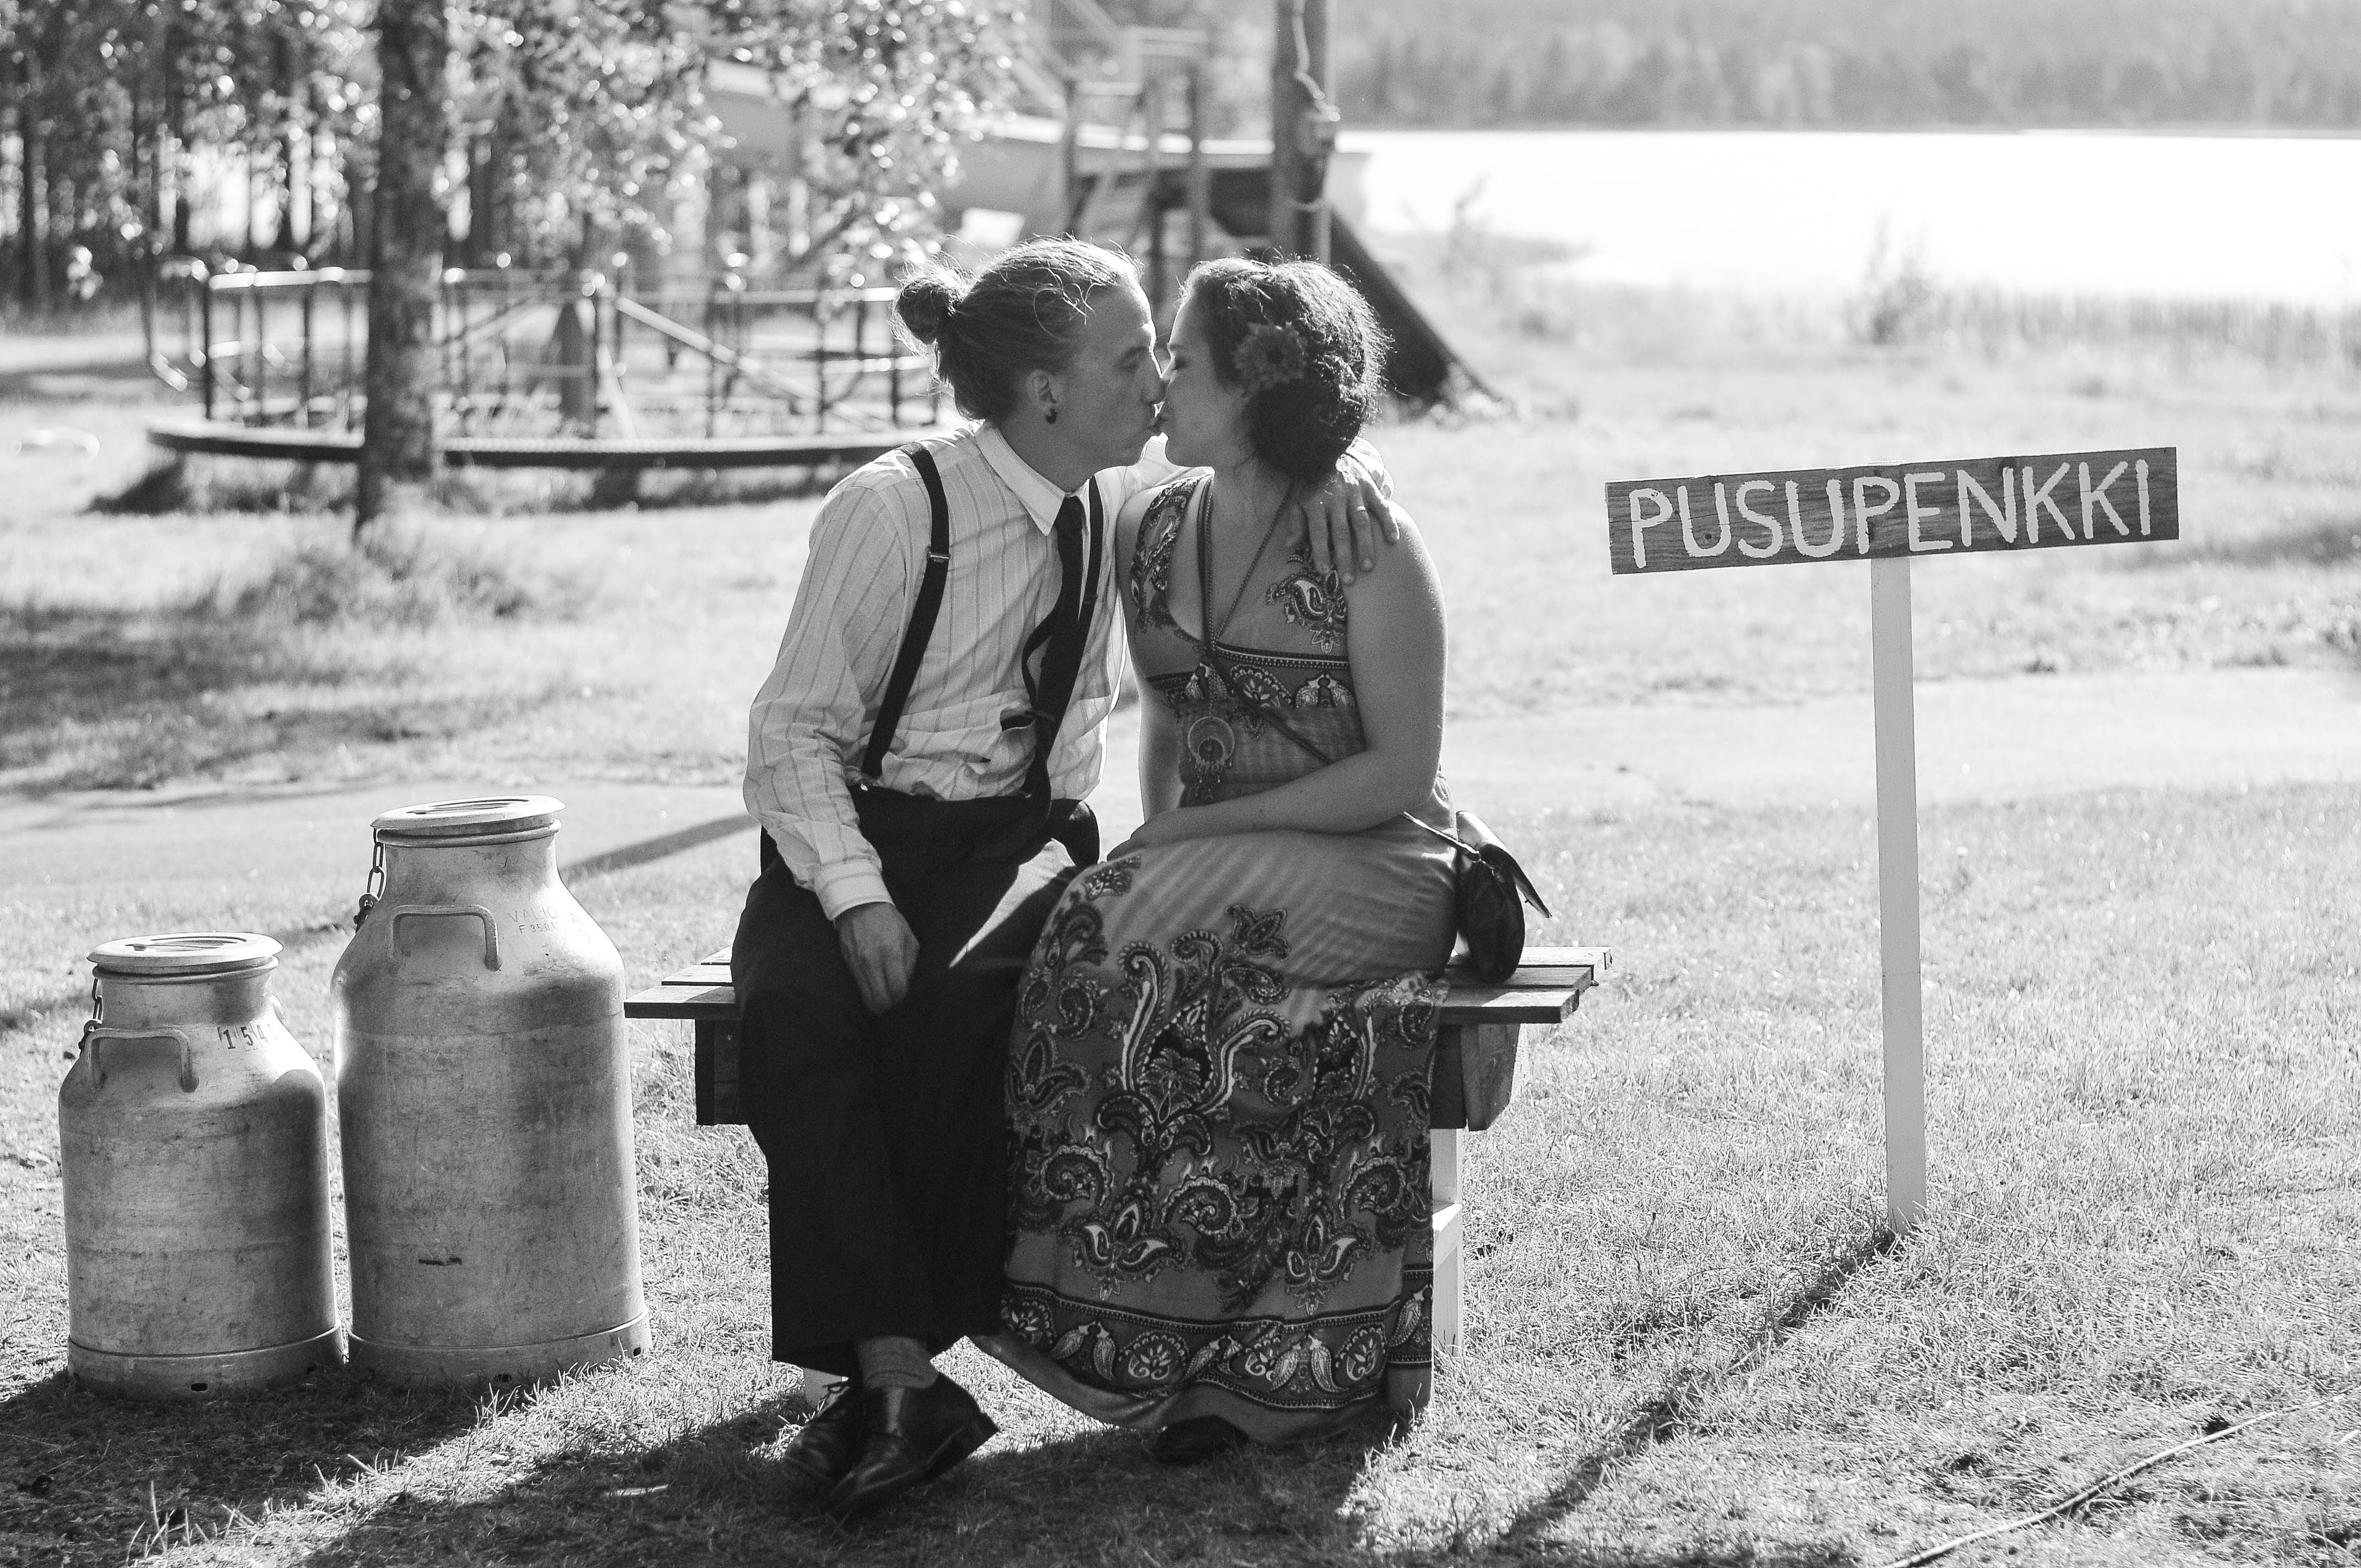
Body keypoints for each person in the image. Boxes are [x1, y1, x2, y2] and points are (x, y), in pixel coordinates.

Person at [732, 238, 1397, 1518]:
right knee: (789, 1011)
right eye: (1130, 356)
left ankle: (882, 1379)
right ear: (1043, 391)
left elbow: (1276, 442)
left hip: (1020, 840)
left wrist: (1343, 466)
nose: (1158, 380)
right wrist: (856, 896)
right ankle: (896, 1375)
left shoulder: (1126, 497)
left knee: (943, 1010)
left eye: (1160, 354)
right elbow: (790, 734)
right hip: (854, 834)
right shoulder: (892, 509)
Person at [982, 257, 1459, 1463]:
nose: (1158, 383)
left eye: (1180, 360)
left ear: (1255, 385)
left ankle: (1282, 1364)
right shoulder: (1150, 527)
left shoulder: (1363, 537)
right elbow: (1165, 721)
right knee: (1102, 940)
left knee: (1139, 927)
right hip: (1219, 867)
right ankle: (1151, 1332)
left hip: (1383, 861)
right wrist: (1163, 848)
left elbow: (1402, 773)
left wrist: (1181, 848)